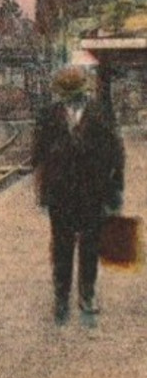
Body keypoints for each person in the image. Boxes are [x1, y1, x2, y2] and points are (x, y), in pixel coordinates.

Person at [31, 66, 125, 322]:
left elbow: (116, 153)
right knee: (61, 246)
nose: (70, 99)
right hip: (60, 193)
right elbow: (36, 156)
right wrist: (43, 189)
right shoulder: (48, 115)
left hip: (92, 192)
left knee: (90, 245)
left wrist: (116, 189)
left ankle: (88, 294)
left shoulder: (101, 113)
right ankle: (61, 298)